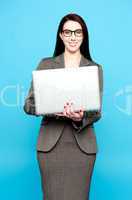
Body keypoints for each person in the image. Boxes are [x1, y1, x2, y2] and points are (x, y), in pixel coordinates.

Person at [23, 13, 103, 200]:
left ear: (84, 35)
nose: (73, 37)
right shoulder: (46, 64)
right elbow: (28, 105)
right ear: (60, 35)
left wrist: (80, 117)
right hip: (51, 147)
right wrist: (49, 107)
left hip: (83, 148)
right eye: (68, 32)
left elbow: (96, 112)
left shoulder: (94, 68)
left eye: (77, 32)